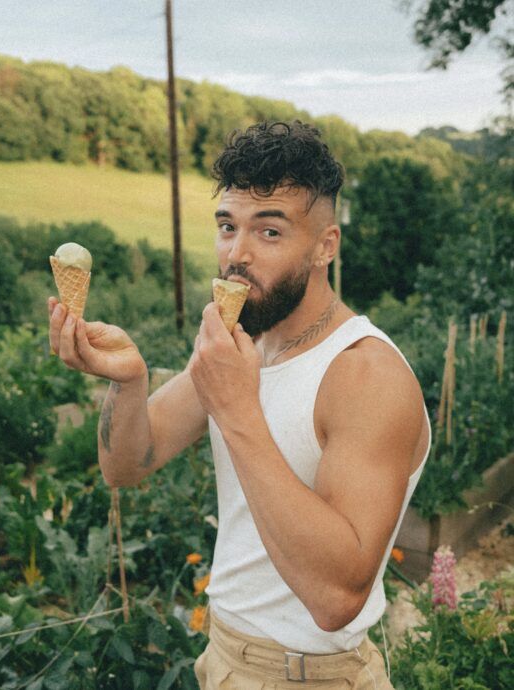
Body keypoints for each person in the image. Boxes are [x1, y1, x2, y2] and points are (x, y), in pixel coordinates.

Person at [48, 121, 431, 689]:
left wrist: (237, 413)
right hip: (224, 659)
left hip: (312, 676)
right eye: (228, 226)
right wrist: (130, 381)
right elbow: (126, 465)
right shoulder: (245, 345)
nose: (237, 255)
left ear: (326, 246)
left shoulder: (364, 374)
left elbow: (336, 598)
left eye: (269, 232)